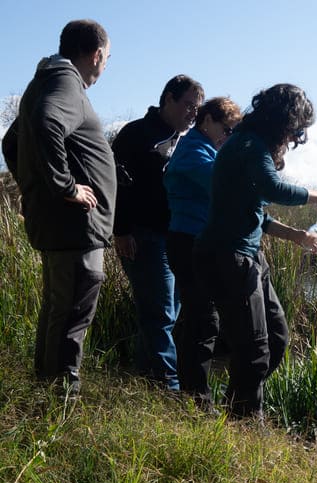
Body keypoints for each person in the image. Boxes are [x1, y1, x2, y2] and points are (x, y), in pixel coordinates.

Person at [194, 83, 317, 420]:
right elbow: (274, 189)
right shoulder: (249, 144)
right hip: (228, 256)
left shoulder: (247, 146)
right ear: (282, 122)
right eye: (293, 131)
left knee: (275, 339)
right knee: (254, 348)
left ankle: (235, 409)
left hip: (247, 256)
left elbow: (257, 214)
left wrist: (297, 236)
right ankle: (245, 424)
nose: (292, 139)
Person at [0, 20, 115, 397]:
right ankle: (61, 402)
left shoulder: (46, 81)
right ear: (96, 54)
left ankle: (44, 396)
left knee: (58, 311)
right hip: (76, 229)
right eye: (107, 59)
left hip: (62, 227)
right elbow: (48, 122)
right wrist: (66, 188)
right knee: (72, 316)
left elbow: (11, 142)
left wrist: (37, 186)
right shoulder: (65, 83)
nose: (104, 66)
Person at [112, 75, 204, 390]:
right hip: (142, 236)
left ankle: (146, 379)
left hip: (175, 239)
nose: (193, 113)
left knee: (165, 314)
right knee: (161, 313)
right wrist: (121, 231)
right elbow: (116, 186)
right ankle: (169, 387)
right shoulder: (136, 134)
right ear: (168, 99)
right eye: (188, 105)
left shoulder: (186, 142)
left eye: (197, 108)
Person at [164, 97, 242, 407]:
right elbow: (220, 182)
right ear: (207, 120)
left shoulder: (206, 149)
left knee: (202, 318)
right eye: (226, 129)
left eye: (232, 132)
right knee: (204, 319)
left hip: (195, 242)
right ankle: (195, 399)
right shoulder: (193, 149)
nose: (227, 137)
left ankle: (192, 396)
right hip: (187, 242)